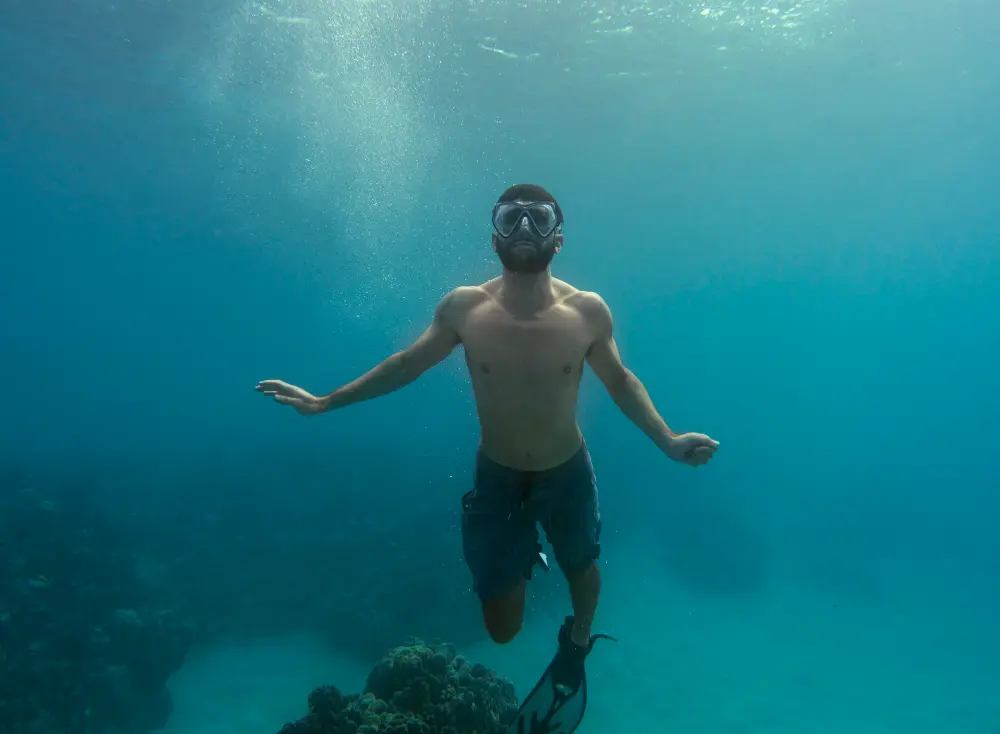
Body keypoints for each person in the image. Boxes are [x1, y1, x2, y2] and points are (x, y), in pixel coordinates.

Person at [256, 183, 719, 698]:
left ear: (558, 239)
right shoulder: (464, 308)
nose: (524, 229)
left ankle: (578, 641)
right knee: (502, 632)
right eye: (510, 218)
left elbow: (621, 380)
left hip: (566, 470)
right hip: (496, 476)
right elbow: (405, 364)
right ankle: (523, 552)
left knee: (582, 570)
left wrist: (669, 440)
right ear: (494, 237)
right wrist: (324, 401)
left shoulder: (587, 312)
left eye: (538, 219)